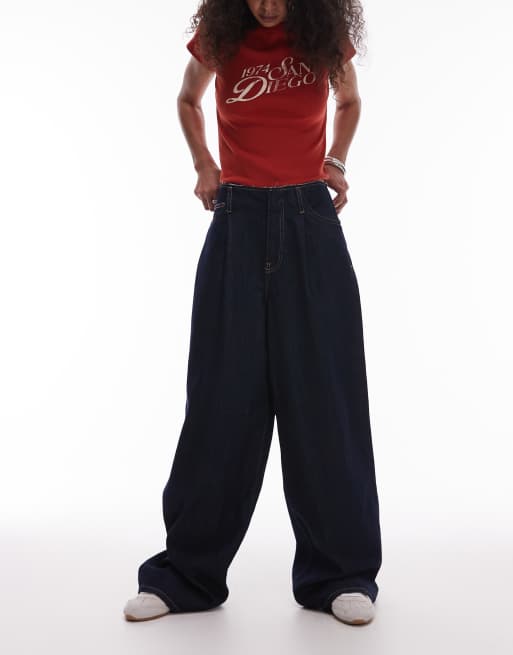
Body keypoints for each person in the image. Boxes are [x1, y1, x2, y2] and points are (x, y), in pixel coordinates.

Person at [124, 0, 382, 626]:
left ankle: (341, 575)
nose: (267, 4)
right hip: (236, 219)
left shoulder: (322, 39)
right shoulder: (219, 38)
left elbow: (349, 101)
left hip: (310, 220)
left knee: (326, 401)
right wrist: (204, 164)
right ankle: (187, 575)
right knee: (220, 399)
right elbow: (188, 99)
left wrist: (336, 160)